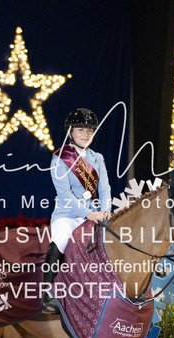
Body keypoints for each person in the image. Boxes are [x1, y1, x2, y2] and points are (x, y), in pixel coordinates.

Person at [42, 108, 112, 313]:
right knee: (61, 238)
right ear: (71, 133)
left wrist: (105, 212)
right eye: (81, 130)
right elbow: (65, 194)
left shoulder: (98, 158)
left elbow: (105, 189)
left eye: (90, 130)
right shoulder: (60, 158)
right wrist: (89, 214)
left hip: (96, 213)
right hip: (67, 215)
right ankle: (47, 293)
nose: (86, 134)